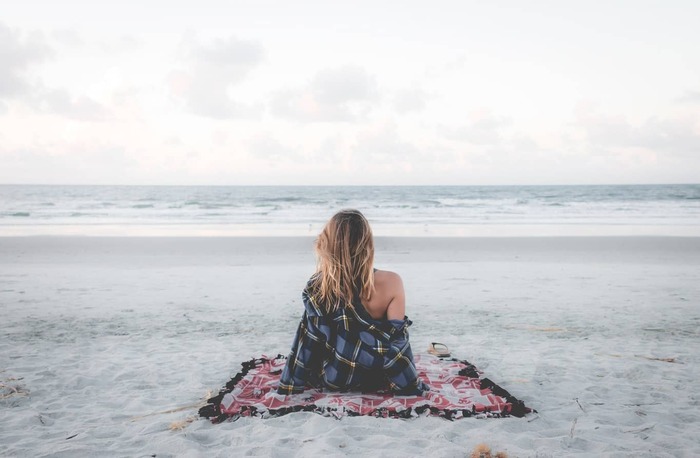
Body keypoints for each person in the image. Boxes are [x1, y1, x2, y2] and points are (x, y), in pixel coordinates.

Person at [277, 209, 428, 396]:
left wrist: (289, 386)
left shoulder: (319, 285)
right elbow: (396, 341)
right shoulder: (391, 281)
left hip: (336, 378)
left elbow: (309, 341)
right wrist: (407, 383)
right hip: (378, 377)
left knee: (311, 326)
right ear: (367, 244)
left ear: (329, 245)